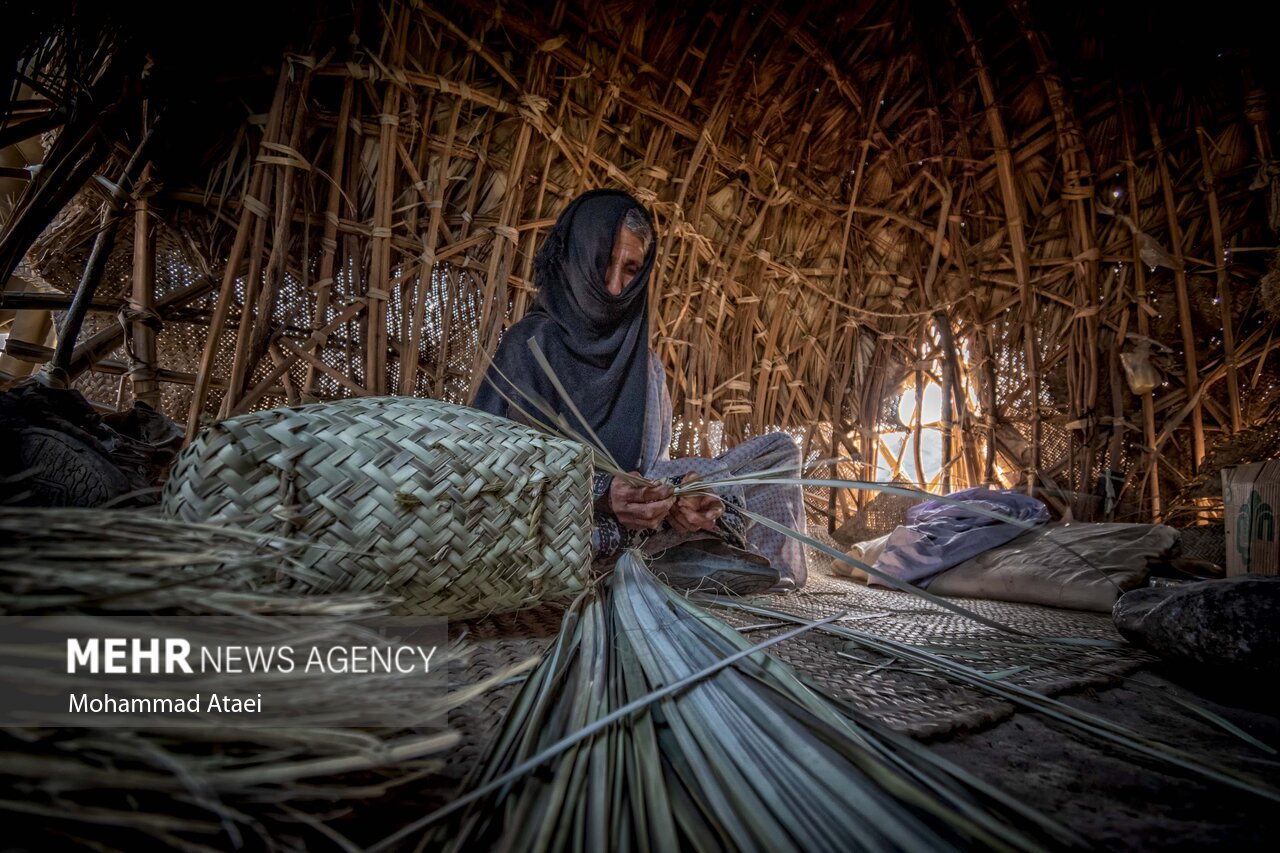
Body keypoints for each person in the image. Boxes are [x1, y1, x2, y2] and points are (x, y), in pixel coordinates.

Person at [473, 189, 807, 591]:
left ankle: (710, 548)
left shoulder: (645, 366)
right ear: (575, 258)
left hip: (640, 526)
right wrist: (599, 494)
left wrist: (681, 498)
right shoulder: (529, 348)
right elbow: (490, 481)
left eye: (631, 269)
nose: (614, 287)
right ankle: (672, 560)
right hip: (566, 529)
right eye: (603, 263)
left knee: (778, 454)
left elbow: (651, 467)